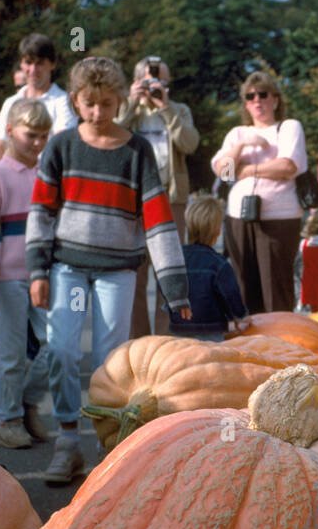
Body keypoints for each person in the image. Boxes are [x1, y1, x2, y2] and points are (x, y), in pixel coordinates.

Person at [28, 56, 190, 484]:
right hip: (67, 266)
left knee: (110, 361)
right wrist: (37, 272)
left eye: (105, 103)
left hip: (118, 270)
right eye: (89, 103)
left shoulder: (137, 151)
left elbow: (157, 221)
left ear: (120, 100)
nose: (97, 112)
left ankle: (107, 446)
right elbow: (42, 212)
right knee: (62, 349)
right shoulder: (62, 146)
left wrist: (175, 288)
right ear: (77, 101)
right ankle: (67, 439)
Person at [0, 97, 54, 449]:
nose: (37, 143)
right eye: (30, 135)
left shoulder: (49, 173)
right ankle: (8, 420)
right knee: (10, 353)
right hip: (8, 277)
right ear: (9, 131)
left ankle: (27, 403)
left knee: (56, 346)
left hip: (46, 274)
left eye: (43, 136)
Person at [210, 70, 308, 314]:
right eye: (249, 96)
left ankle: (279, 348)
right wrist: (242, 145)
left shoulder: (288, 128)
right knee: (243, 290)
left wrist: (245, 170)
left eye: (263, 94)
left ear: (275, 99)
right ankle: (246, 348)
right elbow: (223, 171)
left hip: (278, 219)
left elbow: (287, 166)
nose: (257, 100)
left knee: (276, 291)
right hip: (239, 218)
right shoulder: (236, 134)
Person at [121, 56, 200, 337]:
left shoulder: (178, 110)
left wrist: (165, 109)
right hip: (135, 200)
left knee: (171, 275)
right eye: (147, 82)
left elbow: (189, 144)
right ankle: (138, 343)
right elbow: (114, 135)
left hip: (171, 198)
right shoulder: (125, 109)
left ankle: (167, 342)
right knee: (135, 275)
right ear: (134, 83)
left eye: (160, 82)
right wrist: (132, 103)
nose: (154, 87)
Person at [167, 196, 250, 342]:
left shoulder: (175, 259)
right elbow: (230, 296)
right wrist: (240, 317)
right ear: (218, 232)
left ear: (188, 227)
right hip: (211, 331)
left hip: (180, 328)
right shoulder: (219, 264)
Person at [0, 33, 77, 164]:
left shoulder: (63, 102)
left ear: (52, 64)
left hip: (47, 178)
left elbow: (60, 147)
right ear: (21, 64)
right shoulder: (11, 102)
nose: (33, 69)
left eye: (40, 63)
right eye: (28, 62)